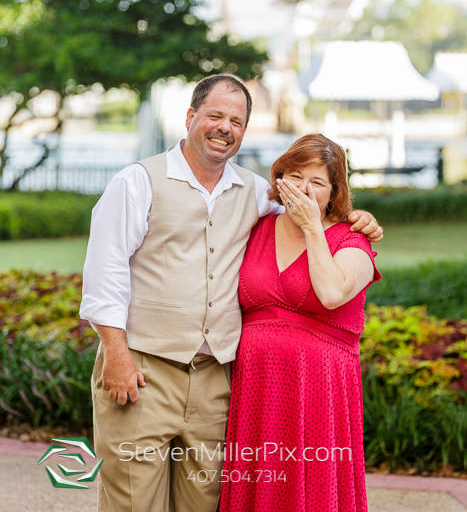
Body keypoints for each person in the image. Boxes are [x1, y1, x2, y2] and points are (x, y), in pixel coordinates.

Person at [79, 75, 383, 512]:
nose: (225, 127)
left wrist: (357, 217)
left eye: (236, 121)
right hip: (144, 370)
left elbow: (315, 214)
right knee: (133, 502)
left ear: (244, 130)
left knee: (203, 504)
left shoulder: (256, 192)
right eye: (215, 115)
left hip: (215, 381)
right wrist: (116, 354)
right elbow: (104, 273)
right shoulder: (137, 182)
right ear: (190, 117)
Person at [219, 134, 380, 512]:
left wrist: (312, 228)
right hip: (255, 386)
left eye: (317, 182)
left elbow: (331, 293)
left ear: (334, 191)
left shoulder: (352, 241)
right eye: (295, 176)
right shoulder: (255, 228)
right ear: (279, 179)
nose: (304, 189)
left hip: (318, 390)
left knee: (311, 485)